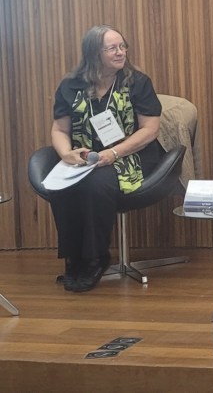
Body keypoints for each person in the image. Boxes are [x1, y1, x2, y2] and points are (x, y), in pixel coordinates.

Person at [49, 25, 162, 292]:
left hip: (132, 154)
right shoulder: (71, 85)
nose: (120, 52)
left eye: (123, 46)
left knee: (95, 184)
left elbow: (150, 129)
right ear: (94, 53)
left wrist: (114, 153)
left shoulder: (137, 82)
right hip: (85, 156)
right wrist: (66, 154)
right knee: (61, 186)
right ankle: (73, 258)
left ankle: (95, 257)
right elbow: (59, 130)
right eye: (112, 48)